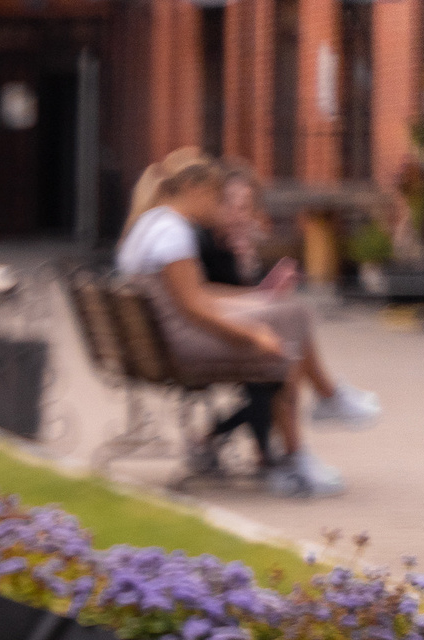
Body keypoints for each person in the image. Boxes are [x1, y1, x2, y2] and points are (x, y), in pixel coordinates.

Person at [116, 153, 379, 496]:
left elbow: (197, 295)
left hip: (164, 343)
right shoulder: (173, 232)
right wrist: (253, 333)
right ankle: (300, 451)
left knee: (288, 314)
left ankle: (314, 425)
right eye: (215, 196)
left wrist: (256, 300)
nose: (217, 207)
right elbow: (195, 308)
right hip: (184, 347)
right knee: (286, 340)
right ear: (193, 189)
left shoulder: (151, 224)